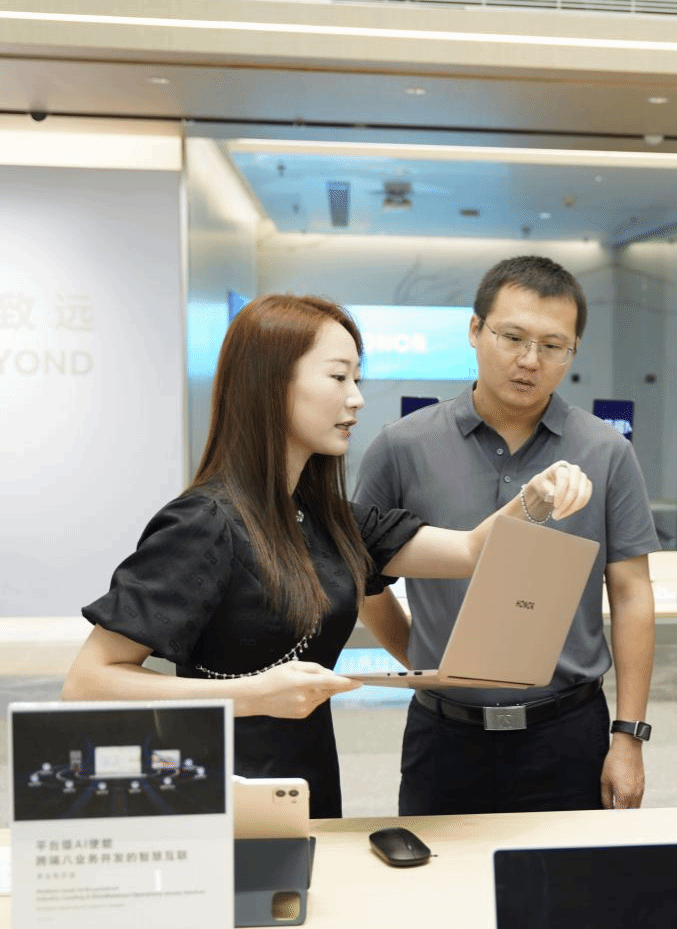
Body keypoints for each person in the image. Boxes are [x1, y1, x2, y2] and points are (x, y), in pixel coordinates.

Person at [62, 295, 592, 820]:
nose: (356, 399)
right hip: (224, 794)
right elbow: (88, 683)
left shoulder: (331, 520)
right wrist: (254, 695)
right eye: (339, 378)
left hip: (307, 783)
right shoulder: (205, 524)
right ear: (271, 384)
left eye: (356, 379)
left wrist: (535, 497)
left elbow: (472, 550)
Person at [354, 255, 660, 816]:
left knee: (568, 873)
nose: (529, 360)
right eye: (512, 337)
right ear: (475, 330)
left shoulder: (606, 452)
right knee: (434, 873)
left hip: (567, 730)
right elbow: (362, 578)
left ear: (573, 350)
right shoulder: (402, 447)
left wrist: (629, 736)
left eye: (553, 346)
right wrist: (424, 657)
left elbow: (632, 593)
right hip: (443, 734)